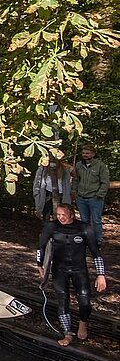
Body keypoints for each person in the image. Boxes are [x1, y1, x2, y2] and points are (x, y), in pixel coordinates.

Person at [37, 203, 108, 347]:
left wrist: (101, 274)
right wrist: (40, 265)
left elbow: (96, 252)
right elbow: (41, 246)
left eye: (63, 215)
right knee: (63, 300)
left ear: (71, 214)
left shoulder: (84, 228)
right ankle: (67, 332)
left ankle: (83, 322)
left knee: (84, 300)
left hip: (79, 269)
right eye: (58, 215)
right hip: (59, 269)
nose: (60, 218)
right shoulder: (52, 227)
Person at [73, 145, 109, 246]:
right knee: (84, 220)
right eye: (84, 153)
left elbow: (105, 182)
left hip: (95, 198)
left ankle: (97, 242)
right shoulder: (79, 165)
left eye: (87, 153)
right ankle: (86, 239)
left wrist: (99, 195)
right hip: (81, 197)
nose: (85, 155)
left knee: (96, 220)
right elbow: (76, 180)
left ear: (93, 154)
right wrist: (74, 191)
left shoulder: (100, 166)